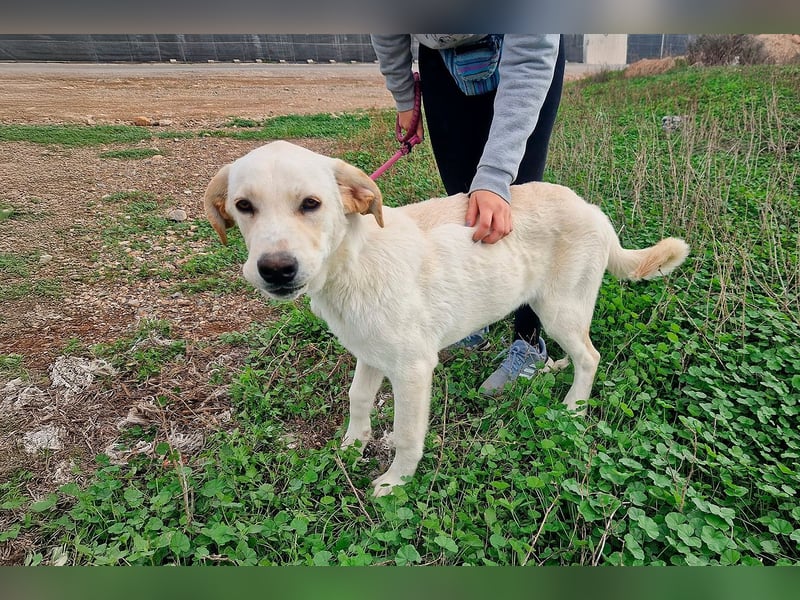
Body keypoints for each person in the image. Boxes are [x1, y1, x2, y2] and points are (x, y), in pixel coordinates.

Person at [370, 34, 566, 395]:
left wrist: (495, 176)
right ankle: (477, 312)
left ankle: (529, 339)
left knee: (516, 205)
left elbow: (533, 50)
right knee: (464, 203)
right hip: (441, 59)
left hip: (521, 50)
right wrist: (404, 97)